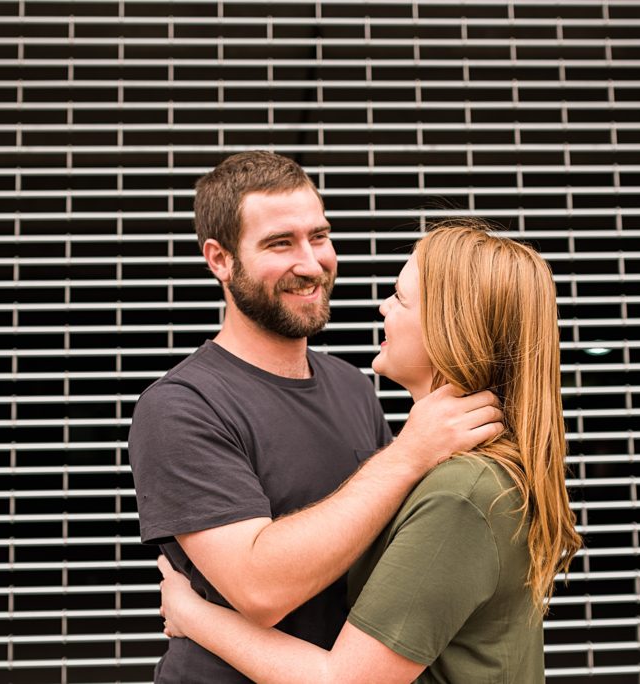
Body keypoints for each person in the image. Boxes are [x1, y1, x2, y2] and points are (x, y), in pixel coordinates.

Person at [127, 152, 503, 682]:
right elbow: (261, 590)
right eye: (280, 243)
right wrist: (410, 453)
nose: (311, 263)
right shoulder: (182, 406)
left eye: (319, 236)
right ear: (220, 259)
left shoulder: (353, 386)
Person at [157, 218, 584, 683]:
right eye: (280, 242)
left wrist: (191, 613)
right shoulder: (447, 468)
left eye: (399, 297)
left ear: (448, 327)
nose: (382, 307)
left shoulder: (463, 493)